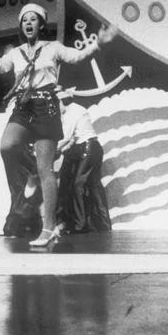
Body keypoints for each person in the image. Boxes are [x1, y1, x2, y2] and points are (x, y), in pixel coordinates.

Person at [0, 3, 117, 247]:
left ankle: (49, 228)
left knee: (46, 171)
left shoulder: (53, 49)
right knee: (7, 145)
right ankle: (33, 173)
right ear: (21, 26)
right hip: (23, 107)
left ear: (41, 24)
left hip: (46, 107)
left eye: (33, 20)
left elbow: (78, 56)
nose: (28, 23)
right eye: (24, 20)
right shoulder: (15, 53)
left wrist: (99, 43)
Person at [55, 87, 111, 234]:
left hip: (88, 148)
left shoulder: (71, 113)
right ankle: (104, 224)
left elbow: (66, 138)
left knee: (78, 185)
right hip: (93, 148)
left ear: (61, 101)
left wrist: (49, 150)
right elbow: (72, 140)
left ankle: (80, 225)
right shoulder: (77, 109)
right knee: (94, 186)